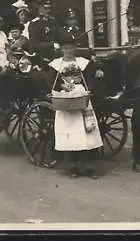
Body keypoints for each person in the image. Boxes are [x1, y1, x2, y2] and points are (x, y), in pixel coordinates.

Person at [48, 25, 104, 179]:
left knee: (86, 130)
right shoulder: (56, 64)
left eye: (71, 48)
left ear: (75, 49)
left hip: (81, 96)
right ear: (62, 50)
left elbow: (91, 76)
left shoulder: (82, 62)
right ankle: (72, 165)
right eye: (66, 48)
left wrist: (89, 89)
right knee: (69, 132)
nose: (69, 51)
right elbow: (50, 81)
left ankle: (88, 164)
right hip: (64, 99)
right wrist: (61, 86)